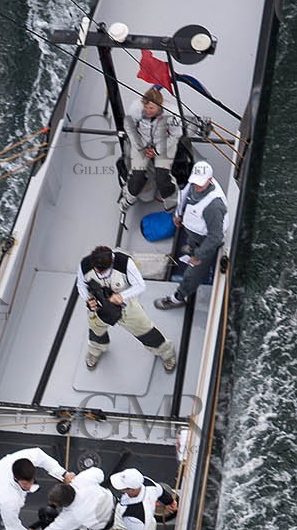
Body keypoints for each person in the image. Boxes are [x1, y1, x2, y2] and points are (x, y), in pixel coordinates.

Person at [76, 245, 176, 374]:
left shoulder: (125, 263)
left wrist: (121, 296)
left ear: (111, 262)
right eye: (97, 271)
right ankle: (96, 349)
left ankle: (166, 352)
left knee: (145, 330)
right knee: (95, 331)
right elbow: (81, 284)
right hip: (98, 307)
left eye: (103, 271)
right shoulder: (85, 264)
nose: (99, 274)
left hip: (126, 306)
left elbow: (140, 285)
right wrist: (88, 300)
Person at [155, 160, 229, 310]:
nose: (197, 186)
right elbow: (185, 197)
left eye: (200, 184)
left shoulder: (214, 206)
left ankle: (178, 298)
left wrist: (199, 256)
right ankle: (192, 249)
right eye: (195, 182)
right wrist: (179, 214)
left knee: (191, 274)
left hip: (206, 241)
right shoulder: (194, 185)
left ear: (210, 180)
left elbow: (215, 237)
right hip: (194, 234)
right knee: (191, 243)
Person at [122, 86, 181, 210]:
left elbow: (176, 135)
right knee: (137, 176)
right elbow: (129, 128)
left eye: (151, 108)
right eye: (146, 107)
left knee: (162, 178)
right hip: (142, 143)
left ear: (159, 107)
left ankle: (172, 204)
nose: (148, 111)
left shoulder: (172, 114)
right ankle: (128, 198)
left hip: (164, 144)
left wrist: (157, 151)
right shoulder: (135, 108)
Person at [108, 469, 172, 530]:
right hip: (148, 524)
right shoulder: (147, 483)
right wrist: (170, 502)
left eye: (123, 488)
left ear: (132, 490)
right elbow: (161, 491)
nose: (120, 490)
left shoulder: (133, 514)